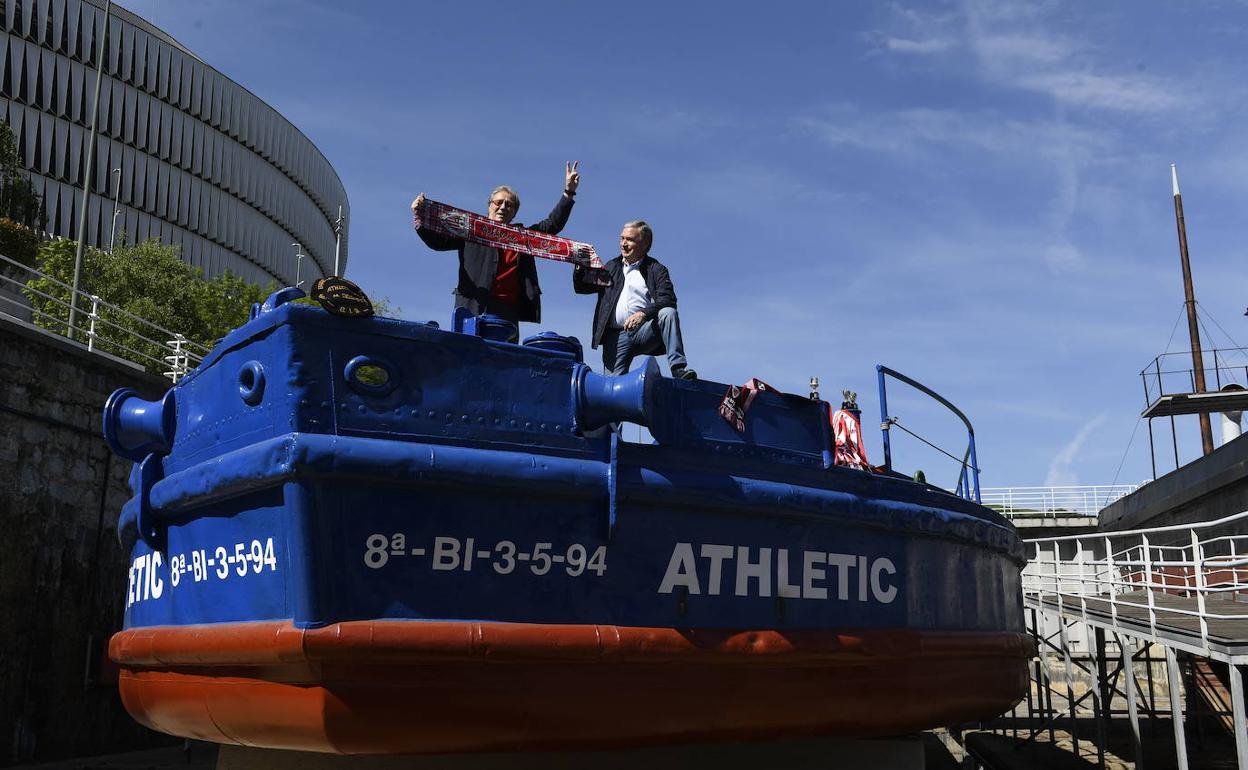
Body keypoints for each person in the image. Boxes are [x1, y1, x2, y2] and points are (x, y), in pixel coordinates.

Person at [411, 162, 580, 328]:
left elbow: (552, 224)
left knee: (503, 355)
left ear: (514, 212)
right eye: (498, 202)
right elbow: (438, 242)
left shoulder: (523, 237)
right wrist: (420, 215)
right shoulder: (472, 231)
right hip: (472, 308)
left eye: (509, 204)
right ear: (489, 206)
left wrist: (569, 192)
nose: (503, 207)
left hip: (507, 313)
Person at [573, 220, 696, 379]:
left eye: (629, 239)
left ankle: (678, 369)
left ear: (645, 243)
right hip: (615, 337)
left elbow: (668, 300)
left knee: (668, 313)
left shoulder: (656, 269)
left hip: (644, 331)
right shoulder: (611, 267)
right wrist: (578, 268)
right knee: (611, 387)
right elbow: (583, 287)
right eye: (622, 238)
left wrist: (643, 314)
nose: (623, 243)